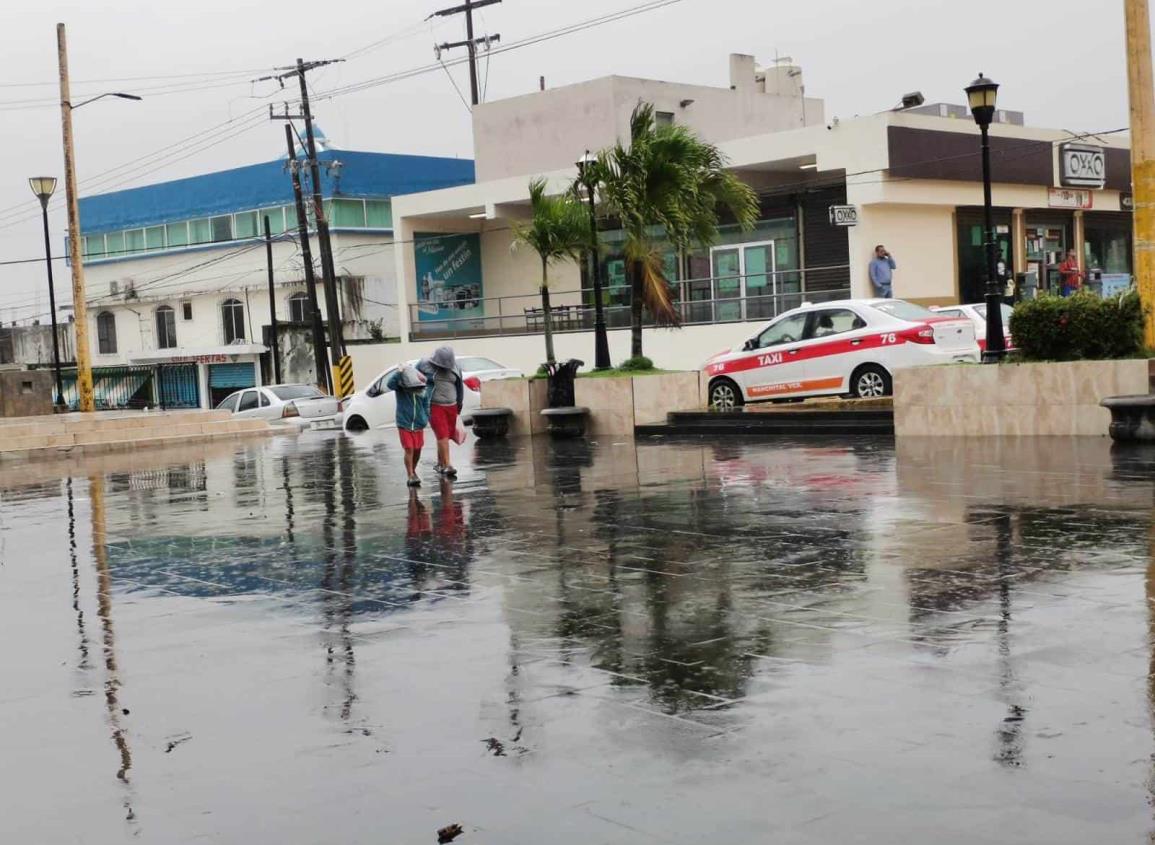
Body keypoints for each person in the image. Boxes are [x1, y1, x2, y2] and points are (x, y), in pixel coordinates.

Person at [418, 346, 464, 480]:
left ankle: (440, 463)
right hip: (435, 406)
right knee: (442, 434)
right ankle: (448, 465)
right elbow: (414, 376)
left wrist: (459, 406)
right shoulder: (424, 364)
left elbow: (459, 387)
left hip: (452, 406)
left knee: (445, 436)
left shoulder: (455, 367)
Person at [386, 363, 432, 488]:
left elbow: (426, 404)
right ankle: (410, 475)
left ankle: (413, 470)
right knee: (409, 449)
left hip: (419, 423)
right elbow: (389, 384)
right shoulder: (400, 387)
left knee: (418, 449)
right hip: (404, 423)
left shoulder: (422, 389)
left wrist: (427, 418)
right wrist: (399, 372)